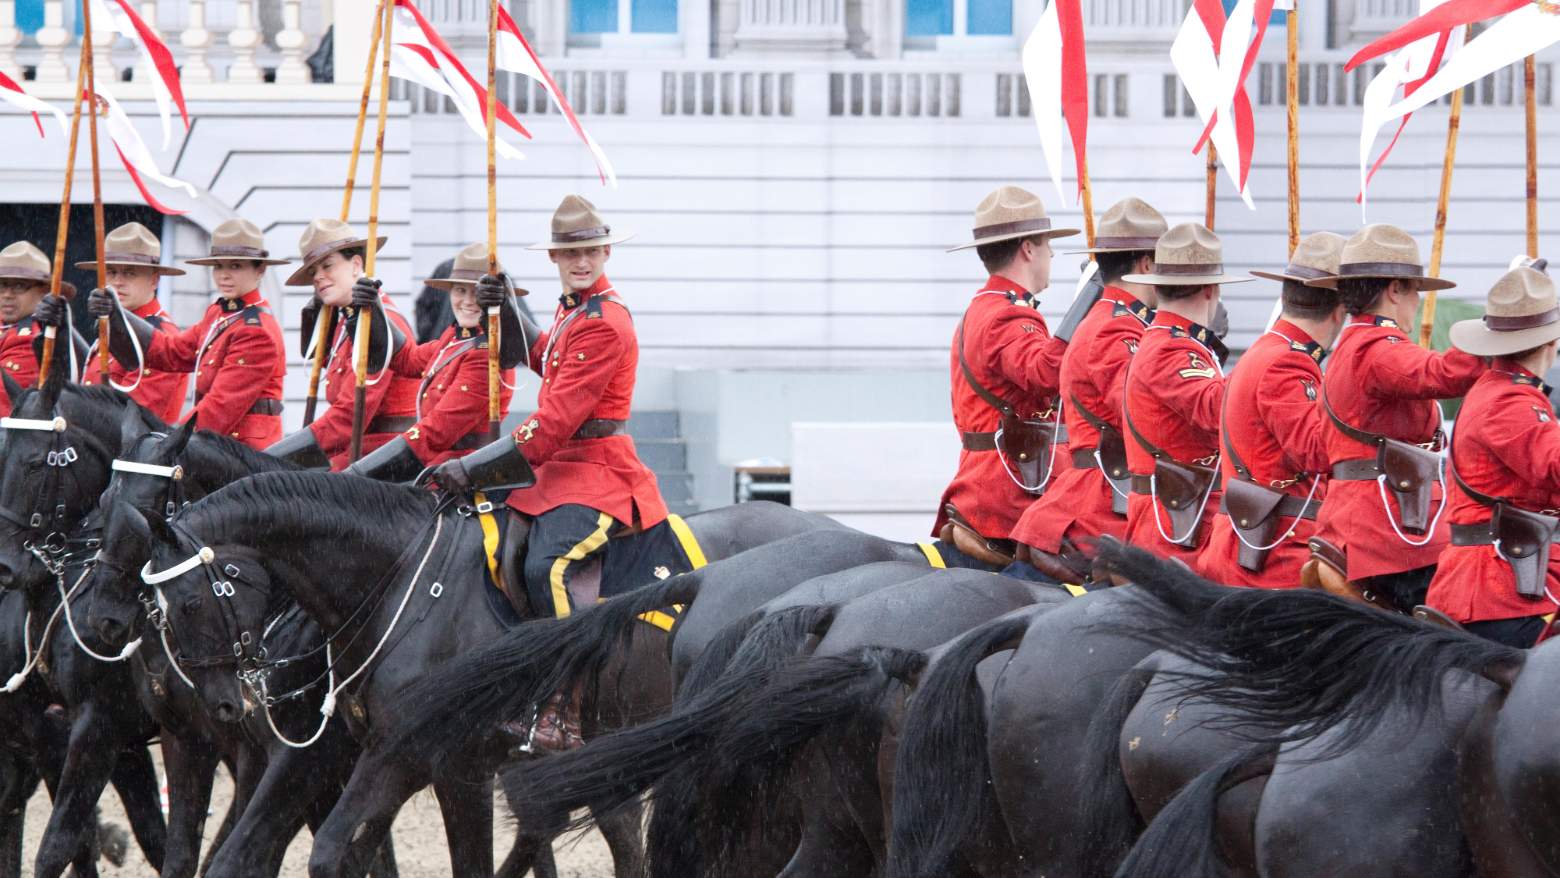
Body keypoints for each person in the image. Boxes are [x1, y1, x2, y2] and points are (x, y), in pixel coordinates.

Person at [426, 196, 666, 619]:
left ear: (607, 251)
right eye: (571, 252)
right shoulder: (574, 310)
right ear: (554, 256)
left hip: (598, 472)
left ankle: (567, 679)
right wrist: (503, 308)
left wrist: (472, 467)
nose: (582, 261)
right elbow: (544, 357)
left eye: (591, 251)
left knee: (546, 569)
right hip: (560, 469)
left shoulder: (603, 322)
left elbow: (553, 423)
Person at [1307, 224, 1484, 612]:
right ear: (1394, 290)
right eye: (1415, 290)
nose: (1417, 300)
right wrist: (1502, 334)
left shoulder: (1355, 344)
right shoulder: (1376, 347)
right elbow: (1444, 373)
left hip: (1376, 520)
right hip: (1388, 533)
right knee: (1474, 614)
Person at [1009, 197, 1166, 581]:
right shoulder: (1117, 328)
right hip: (1099, 504)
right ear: (1147, 264)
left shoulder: (1124, 322)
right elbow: (1142, 420)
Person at [931, 185, 1079, 564]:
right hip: (1009, 492)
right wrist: (1092, 302)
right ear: (1028, 249)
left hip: (1005, 477)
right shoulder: (1007, 314)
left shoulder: (985, 307)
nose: (1051, 254)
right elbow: (1047, 374)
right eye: (1047, 245)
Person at [1196, 232, 1347, 588]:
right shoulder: (1288, 363)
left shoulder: (1271, 350)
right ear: (1342, 310)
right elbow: (1318, 452)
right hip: (1275, 557)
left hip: (1259, 543)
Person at [1424, 264, 1560, 647]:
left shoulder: (1501, 389)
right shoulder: (1509, 401)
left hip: (1512, 578)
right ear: (1551, 344)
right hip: (1498, 591)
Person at [92, 219, 288, 448]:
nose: (223, 275)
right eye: (218, 266)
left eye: (235, 266)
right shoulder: (218, 315)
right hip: (217, 446)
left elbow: (221, 406)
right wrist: (118, 319)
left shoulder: (255, 330)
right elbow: (171, 352)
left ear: (260, 270)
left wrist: (169, 441)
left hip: (242, 452)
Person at [1118, 223, 1247, 563]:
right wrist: (1262, 365)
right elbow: (1215, 409)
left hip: (1188, 513)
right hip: (1178, 526)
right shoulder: (1170, 348)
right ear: (1209, 289)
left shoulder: (1176, 341)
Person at [346, 242, 528, 481]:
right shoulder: (453, 339)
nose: (467, 301)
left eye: (476, 292)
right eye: (460, 291)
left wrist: (359, 473)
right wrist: (373, 307)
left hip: (463, 479)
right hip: (434, 469)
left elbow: (435, 433)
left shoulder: (487, 354)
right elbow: (407, 359)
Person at [267, 219, 420, 470]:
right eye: (313, 272)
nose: (318, 277)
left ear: (356, 265)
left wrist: (274, 458)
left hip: (383, 461)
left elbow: (349, 418)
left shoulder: (380, 323)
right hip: (349, 454)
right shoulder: (345, 322)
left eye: (327, 266)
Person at [77, 222, 189, 423]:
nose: (117, 282)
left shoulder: (160, 337)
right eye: (111, 272)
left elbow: (134, 418)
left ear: (154, 280)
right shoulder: (112, 326)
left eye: (129, 273)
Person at [0, 242, 75, 416]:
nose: (7, 294)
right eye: (2, 285)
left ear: (44, 291)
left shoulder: (34, 339)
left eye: (19, 286)